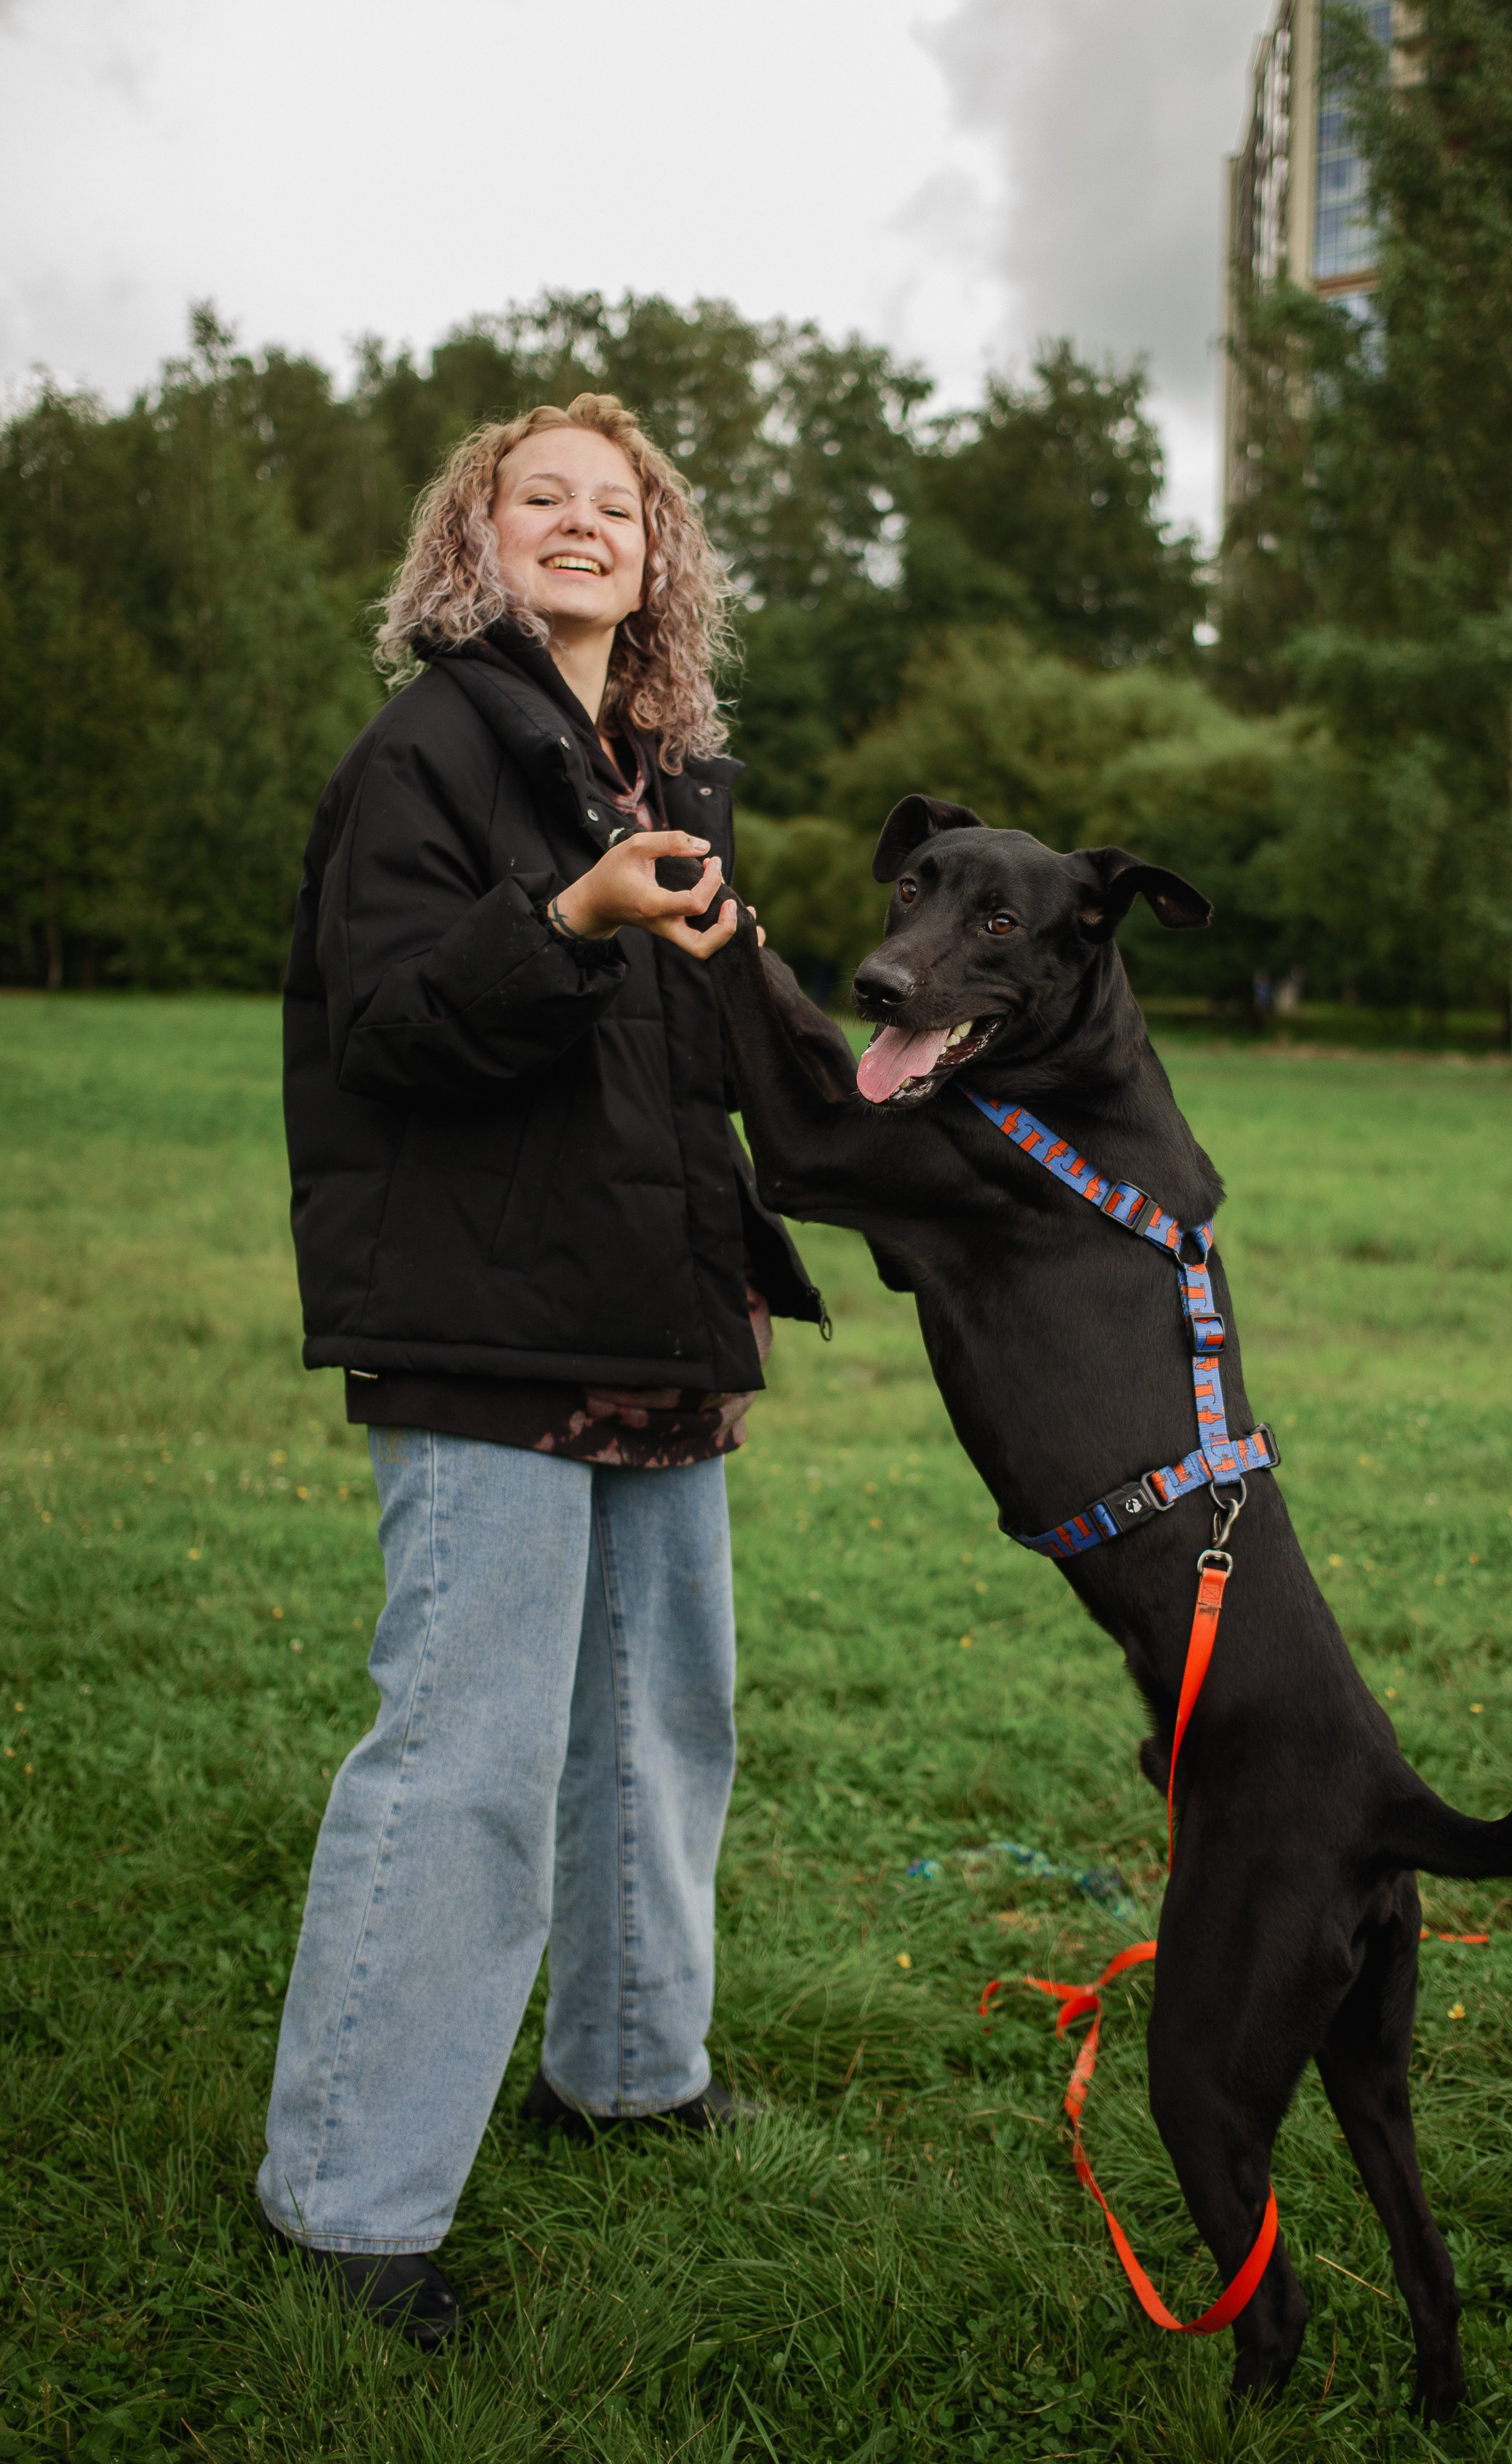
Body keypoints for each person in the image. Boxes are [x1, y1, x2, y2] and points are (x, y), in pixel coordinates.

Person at [261, 393, 824, 2348]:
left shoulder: (665, 770)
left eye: (624, 507)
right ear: (476, 546)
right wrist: (570, 917)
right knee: (471, 1754)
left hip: (655, 1320)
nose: (587, 526)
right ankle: (349, 2198)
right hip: (487, 1326)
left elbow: (726, 1056)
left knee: (665, 1720)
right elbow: (396, 1022)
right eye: (544, 501)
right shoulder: (426, 751)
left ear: (661, 560)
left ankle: (634, 2070)